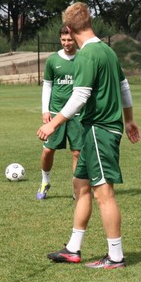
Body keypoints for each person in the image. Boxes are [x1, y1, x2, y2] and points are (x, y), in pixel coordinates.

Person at [37, 2, 140, 269]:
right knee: (80, 186)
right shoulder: (107, 50)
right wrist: (129, 120)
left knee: (103, 194)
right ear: (90, 22)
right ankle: (73, 248)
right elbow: (124, 86)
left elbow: (80, 95)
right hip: (93, 130)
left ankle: (115, 256)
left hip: (100, 130)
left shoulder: (86, 55)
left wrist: (54, 123)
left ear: (70, 28)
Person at [36, 26, 82, 200]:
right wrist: (45, 110)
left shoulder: (83, 59)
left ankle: (76, 188)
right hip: (55, 113)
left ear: (75, 39)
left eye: (69, 40)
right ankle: (44, 182)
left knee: (77, 153)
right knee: (48, 150)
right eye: (63, 40)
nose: (66, 43)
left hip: (77, 114)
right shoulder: (53, 60)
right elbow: (47, 84)